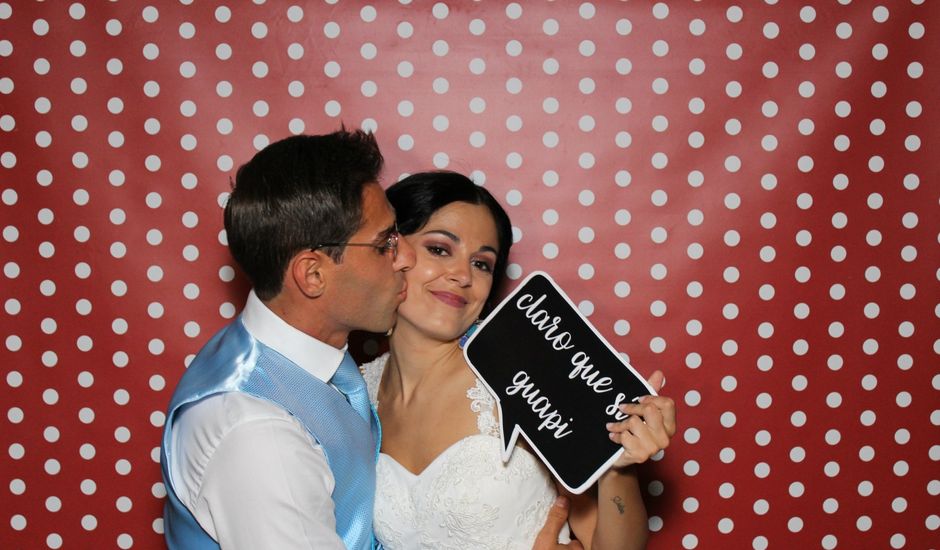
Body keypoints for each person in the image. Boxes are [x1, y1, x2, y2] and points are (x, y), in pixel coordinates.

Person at [361, 171, 677, 550]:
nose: (462, 275)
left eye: (482, 264)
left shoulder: (525, 373)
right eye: (440, 249)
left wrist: (616, 468)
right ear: (390, 251)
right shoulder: (352, 390)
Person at [159, 129, 416, 549]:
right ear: (312, 274)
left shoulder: (295, 358)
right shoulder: (258, 437)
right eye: (384, 243)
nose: (406, 257)